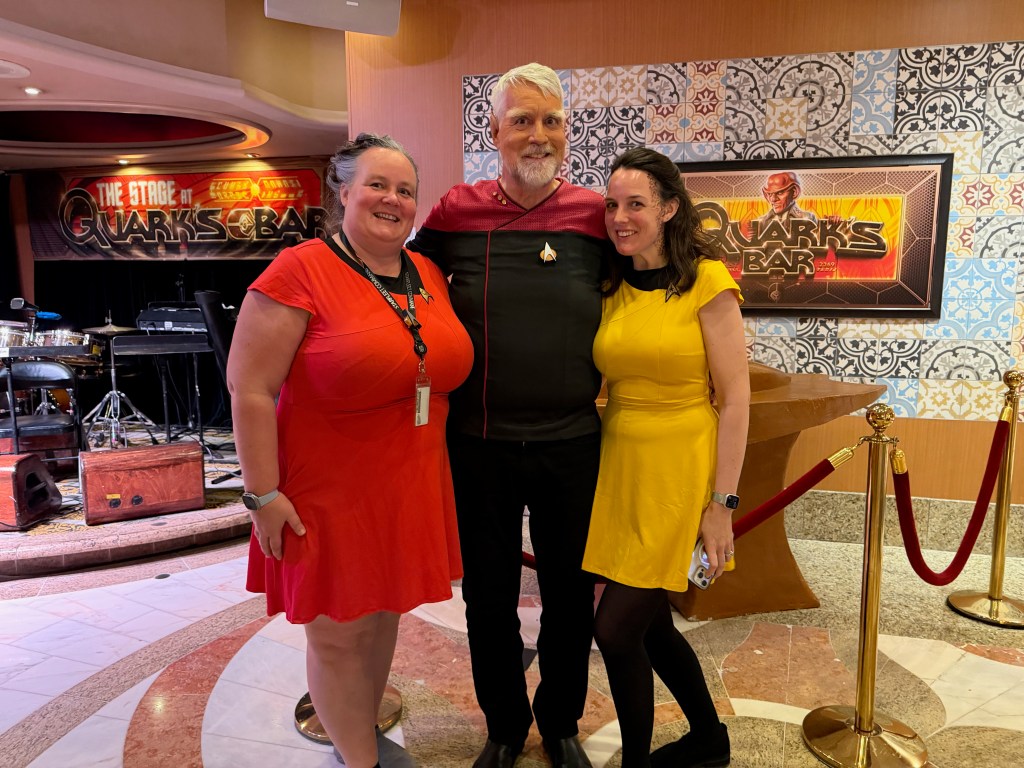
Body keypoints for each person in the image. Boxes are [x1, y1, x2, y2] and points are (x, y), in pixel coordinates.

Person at [228, 133, 473, 768]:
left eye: (406, 190)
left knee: (384, 613)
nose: (393, 199)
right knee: (339, 634)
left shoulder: (427, 273)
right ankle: (360, 760)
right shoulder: (299, 269)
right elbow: (250, 388)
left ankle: (360, 734)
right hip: (326, 490)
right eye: (378, 185)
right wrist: (262, 494)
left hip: (409, 479)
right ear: (344, 193)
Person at [407, 63, 608, 768]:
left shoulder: (595, 214)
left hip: (575, 442)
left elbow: (645, 289)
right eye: (522, 119)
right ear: (494, 131)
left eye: (551, 120)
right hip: (479, 443)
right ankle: (501, 725)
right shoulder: (455, 211)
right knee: (488, 599)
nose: (539, 133)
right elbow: (400, 284)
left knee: (568, 597)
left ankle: (558, 723)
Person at [583, 147, 749, 768]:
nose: (620, 217)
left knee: (617, 629)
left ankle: (635, 763)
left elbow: (735, 399)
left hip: (681, 465)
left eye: (636, 205)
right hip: (620, 463)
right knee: (651, 623)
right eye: (612, 205)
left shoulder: (707, 280)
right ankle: (708, 739)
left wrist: (721, 505)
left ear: (670, 208)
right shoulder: (611, 282)